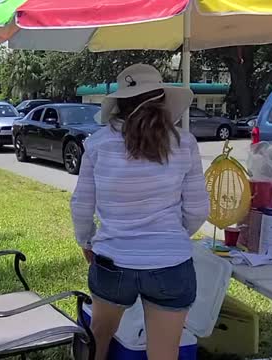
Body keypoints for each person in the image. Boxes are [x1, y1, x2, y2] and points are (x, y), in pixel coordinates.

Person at [70, 64, 209, 360]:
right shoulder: (185, 143)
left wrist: (86, 241)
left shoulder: (97, 144)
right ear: (162, 99)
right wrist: (170, 236)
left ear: (119, 104)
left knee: (98, 338)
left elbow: (81, 205)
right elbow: (198, 210)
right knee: (164, 353)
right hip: (171, 264)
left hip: (112, 261)